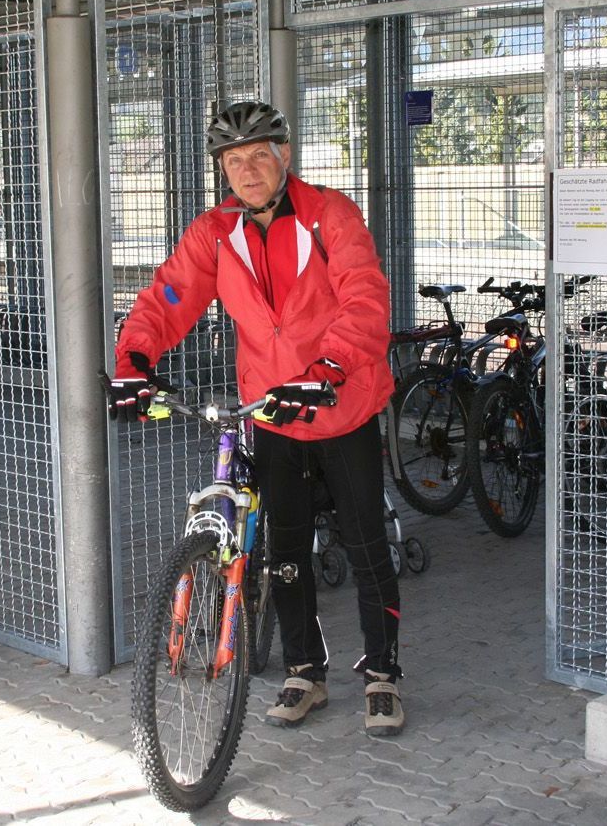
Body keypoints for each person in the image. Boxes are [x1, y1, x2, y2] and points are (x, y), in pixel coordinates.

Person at [107, 100, 404, 736]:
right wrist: (132, 359)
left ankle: (382, 673)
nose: (247, 170)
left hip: (339, 403)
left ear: (284, 157)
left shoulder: (331, 215)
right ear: (223, 170)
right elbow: (166, 296)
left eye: (259, 156)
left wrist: (328, 368)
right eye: (234, 160)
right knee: (284, 549)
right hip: (269, 412)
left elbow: (364, 297)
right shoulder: (215, 232)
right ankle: (305, 671)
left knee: (366, 544)